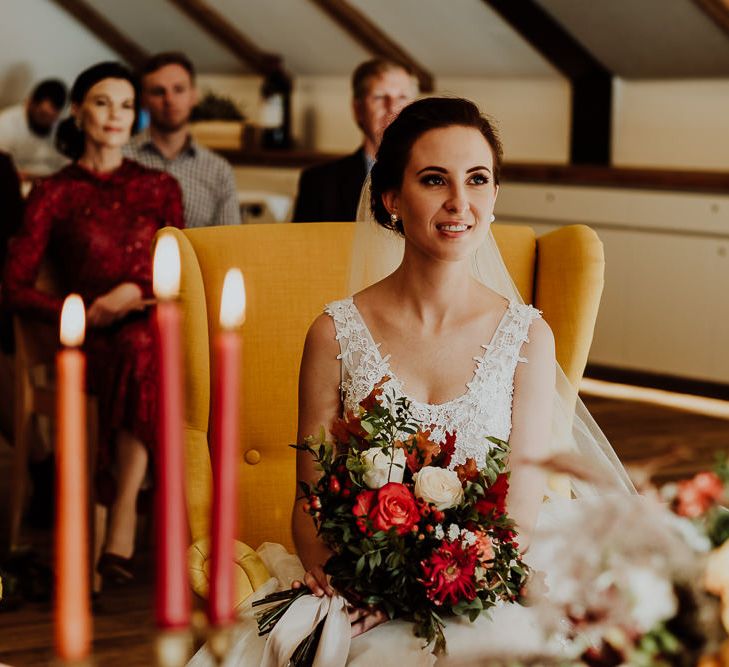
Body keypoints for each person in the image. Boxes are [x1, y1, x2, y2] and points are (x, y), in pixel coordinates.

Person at [189, 99, 635, 665]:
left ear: (495, 195)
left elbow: (518, 517)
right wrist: (360, 587)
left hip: (489, 580)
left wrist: (419, 589)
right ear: (391, 199)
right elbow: (310, 505)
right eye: (434, 180)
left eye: (478, 180)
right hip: (357, 587)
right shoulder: (334, 334)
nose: (459, 202)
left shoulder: (526, 338)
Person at [3, 62, 185, 586]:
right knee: (135, 347)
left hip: (149, 329)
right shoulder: (54, 193)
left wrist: (139, 293)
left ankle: (121, 511)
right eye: (103, 102)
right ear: (79, 111)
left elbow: (180, 275)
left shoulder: (160, 186)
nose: (116, 115)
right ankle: (124, 521)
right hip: (87, 341)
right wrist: (83, 310)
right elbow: (13, 288)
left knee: (142, 341)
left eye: (127, 105)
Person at [292, 59, 417, 223]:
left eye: (402, 97)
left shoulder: (432, 176)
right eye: (379, 97)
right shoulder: (319, 182)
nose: (392, 107)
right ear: (358, 110)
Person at [124, 52, 240, 228]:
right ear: (143, 100)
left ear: (194, 96)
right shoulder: (120, 157)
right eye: (158, 92)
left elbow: (228, 243)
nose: (169, 100)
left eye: (178, 89)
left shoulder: (218, 170)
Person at [0, 79, 69, 178]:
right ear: (29, 103)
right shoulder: (6, 124)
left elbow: (66, 168)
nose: (47, 120)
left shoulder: (62, 129)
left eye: (52, 116)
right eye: (42, 114)